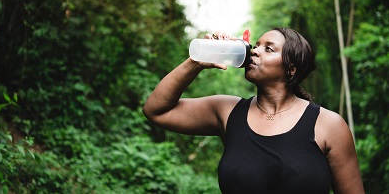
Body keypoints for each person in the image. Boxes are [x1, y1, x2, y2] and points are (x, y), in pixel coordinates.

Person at [143, 27, 364, 193]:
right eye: (256, 45)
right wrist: (196, 62)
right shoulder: (227, 111)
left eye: (268, 49)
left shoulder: (328, 125)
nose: (255, 51)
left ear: (291, 69)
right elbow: (157, 110)